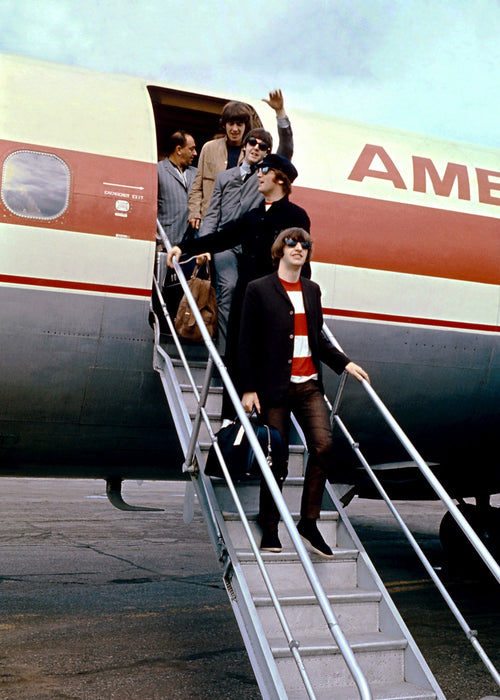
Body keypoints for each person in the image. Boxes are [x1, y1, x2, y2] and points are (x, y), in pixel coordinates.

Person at [238, 228, 370, 556]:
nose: (299, 248)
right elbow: (245, 343)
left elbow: (318, 339)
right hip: (275, 388)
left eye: (305, 244)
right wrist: (249, 388)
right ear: (279, 250)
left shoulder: (312, 290)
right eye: (292, 243)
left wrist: (345, 363)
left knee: (324, 446)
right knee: (277, 459)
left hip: (309, 385)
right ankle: (269, 526)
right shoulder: (259, 289)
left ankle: (308, 523)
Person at [167, 154, 310, 417]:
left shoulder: (296, 216)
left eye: (263, 169)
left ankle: (267, 433)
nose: (258, 174)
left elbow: (302, 265)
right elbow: (222, 238)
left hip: (275, 301)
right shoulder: (253, 216)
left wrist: (303, 304)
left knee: (268, 362)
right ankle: (229, 425)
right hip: (246, 299)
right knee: (236, 356)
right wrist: (183, 248)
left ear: (279, 177)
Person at [199, 128, 274, 352]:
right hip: (226, 244)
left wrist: (280, 115)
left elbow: (287, 150)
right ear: (244, 145)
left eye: (262, 147)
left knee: (252, 296)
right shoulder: (224, 177)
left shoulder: (264, 178)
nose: (256, 148)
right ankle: (224, 353)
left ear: (266, 153)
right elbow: (212, 213)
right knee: (229, 288)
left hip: (252, 246)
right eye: (252, 143)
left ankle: (246, 354)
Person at [188, 90, 293, 230]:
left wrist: (280, 112)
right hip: (208, 222)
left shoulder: (256, 157)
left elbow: (286, 149)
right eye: (231, 123)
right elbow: (197, 185)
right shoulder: (209, 148)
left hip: (239, 227)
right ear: (224, 125)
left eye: (239, 124)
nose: (235, 129)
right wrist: (194, 212)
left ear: (246, 126)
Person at [157, 130, 197, 245]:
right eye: (191, 149)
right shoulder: (158, 170)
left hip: (191, 246)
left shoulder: (197, 173)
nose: (195, 153)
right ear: (179, 149)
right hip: (166, 243)